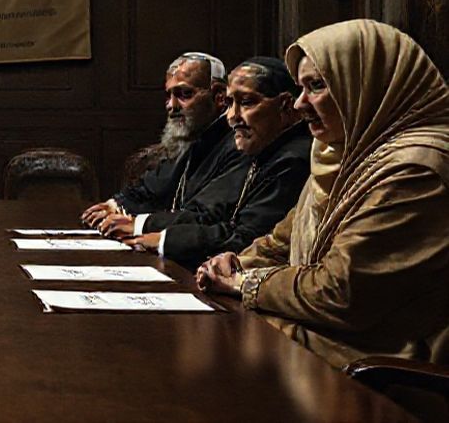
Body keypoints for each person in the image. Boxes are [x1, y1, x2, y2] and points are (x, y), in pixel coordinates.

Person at [197, 19, 449, 369]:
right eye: (301, 88)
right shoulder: (343, 150)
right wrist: (234, 263)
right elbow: (282, 241)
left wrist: (245, 282)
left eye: (316, 86)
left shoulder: (415, 169)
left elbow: (341, 294)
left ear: (365, 85)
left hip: (383, 364)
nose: (300, 104)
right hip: (326, 336)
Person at [99, 58, 312, 270]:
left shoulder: (291, 159)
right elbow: (156, 186)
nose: (232, 117)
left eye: (246, 102)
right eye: (230, 104)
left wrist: (162, 238)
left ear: (286, 106)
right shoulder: (259, 146)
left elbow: (245, 235)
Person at [81, 52, 245, 235]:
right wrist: (114, 205)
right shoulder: (194, 137)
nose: (171, 105)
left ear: (219, 97)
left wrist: (139, 224)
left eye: (184, 94)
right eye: (169, 95)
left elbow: (205, 216)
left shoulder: (238, 144)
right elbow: (152, 188)